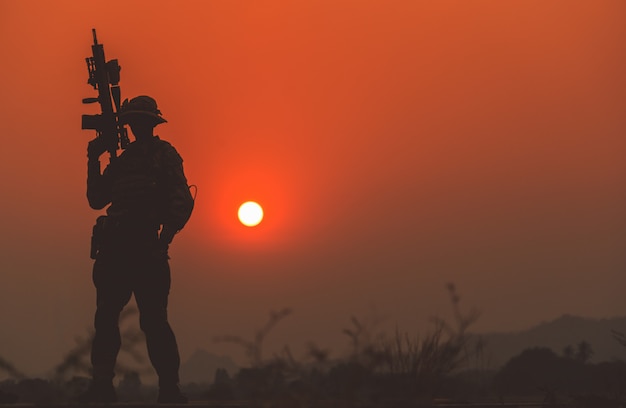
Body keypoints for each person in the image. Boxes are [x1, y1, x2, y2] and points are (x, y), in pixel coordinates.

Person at [81, 95, 194, 403]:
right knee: (105, 317)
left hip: (146, 248)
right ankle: (102, 385)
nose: (137, 128)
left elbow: (182, 201)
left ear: (152, 125)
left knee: (154, 321)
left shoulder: (164, 155)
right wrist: (94, 158)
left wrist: (164, 240)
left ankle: (169, 389)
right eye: (134, 122)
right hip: (116, 248)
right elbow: (96, 199)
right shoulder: (122, 160)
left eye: (143, 122)